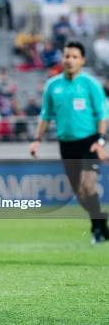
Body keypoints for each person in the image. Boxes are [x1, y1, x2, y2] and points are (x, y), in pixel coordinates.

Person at [30, 41, 108, 243]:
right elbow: (45, 115)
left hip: (89, 142)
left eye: (74, 57)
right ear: (62, 58)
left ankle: (98, 228)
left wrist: (100, 141)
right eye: (66, 56)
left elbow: (102, 114)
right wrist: (37, 140)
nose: (70, 60)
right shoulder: (53, 85)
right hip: (66, 144)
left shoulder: (91, 85)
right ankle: (99, 222)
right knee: (79, 193)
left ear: (82, 60)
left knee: (88, 186)